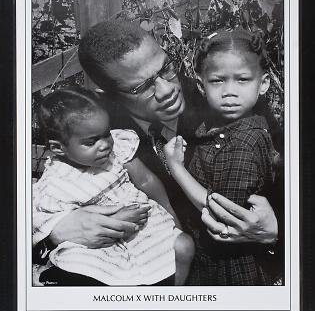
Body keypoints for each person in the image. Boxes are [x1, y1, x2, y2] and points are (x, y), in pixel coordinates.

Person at [34, 19, 280, 285]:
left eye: (167, 68)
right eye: (142, 87)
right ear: (108, 93)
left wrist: (276, 231)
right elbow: (47, 188)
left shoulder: (225, 98)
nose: (167, 89)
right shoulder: (94, 127)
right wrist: (55, 232)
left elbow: (287, 183)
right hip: (141, 270)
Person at [33, 86, 194, 286]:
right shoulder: (56, 183)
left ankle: (174, 293)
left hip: (146, 228)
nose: (105, 145)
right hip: (101, 246)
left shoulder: (118, 147)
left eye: (105, 134)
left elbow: (145, 180)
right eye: (91, 141)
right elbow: (50, 225)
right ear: (58, 148)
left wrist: (171, 214)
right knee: (78, 265)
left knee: (184, 246)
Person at [164, 29, 280, 285]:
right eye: (217, 80)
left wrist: (177, 168)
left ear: (263, 84)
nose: (230, 91)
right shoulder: (212, 128)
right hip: (210, 256)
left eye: (242, 80)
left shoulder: (245, 140)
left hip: (232, 268)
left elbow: (225, 212)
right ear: (200, 84)